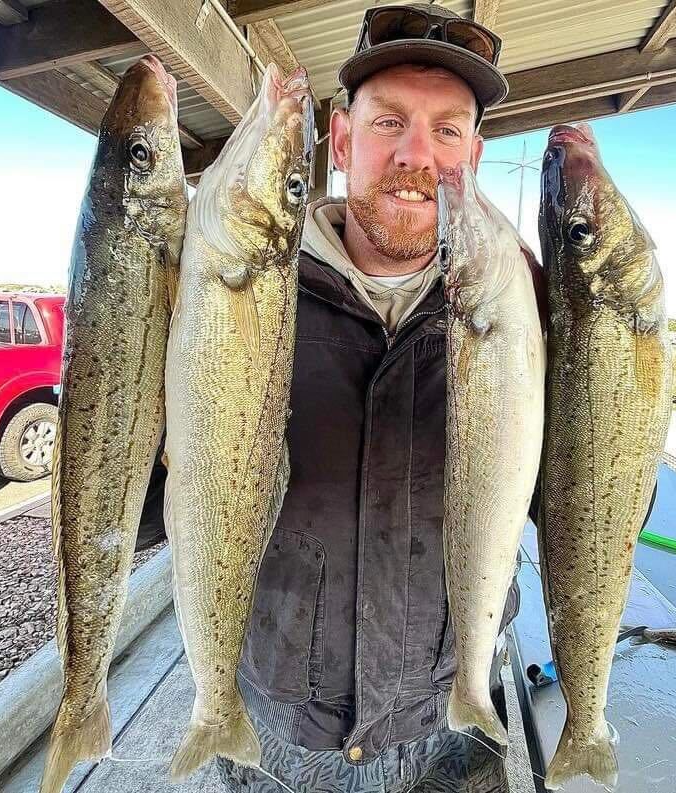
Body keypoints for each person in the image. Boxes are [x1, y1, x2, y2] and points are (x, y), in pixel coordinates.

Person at [139, 4, 525, 791]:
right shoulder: (233, 299)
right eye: (389, 122)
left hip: (453, 721)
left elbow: (597, 504)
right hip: (278, 735)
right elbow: (146, 509)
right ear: (342, 139)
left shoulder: (518, 316)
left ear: (475, 155)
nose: (419, 155)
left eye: (447, 130)